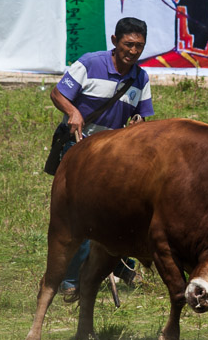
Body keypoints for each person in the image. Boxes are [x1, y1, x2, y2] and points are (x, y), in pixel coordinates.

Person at [50, 18, 153, 301]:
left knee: (121, 213)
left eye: (139, 47)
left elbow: (143, 117)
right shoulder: (89, 63)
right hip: (78, 149)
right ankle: (70, 280)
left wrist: (137, 126)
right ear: (114, 41)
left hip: (111, 158)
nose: (133, 52)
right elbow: (57, 93)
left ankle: (122, 267)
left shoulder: (140, 78)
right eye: (128, 44)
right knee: (79, 219)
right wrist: (73, 112)